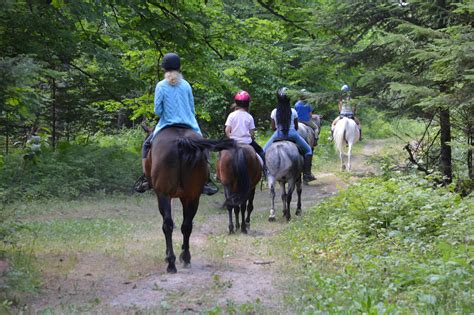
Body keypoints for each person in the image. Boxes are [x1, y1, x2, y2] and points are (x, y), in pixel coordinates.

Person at [134, 52, 218, 195]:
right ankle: (206, 180)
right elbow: (191, 108)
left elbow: (158, 110)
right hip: (189, 124)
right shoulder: (186, 85)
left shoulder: (161, 85)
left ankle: (146, 179)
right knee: (203, 147)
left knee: (147, 145)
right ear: (179, 68)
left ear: (164, 68)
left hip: (166, 125)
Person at [263, 87, 316, 182]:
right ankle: (307, 174)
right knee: (308, 150)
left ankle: (265, 173)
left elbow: (273, 127)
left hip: (278, 134)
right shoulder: (293, 111)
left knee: (263, 151)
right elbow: (296, 127)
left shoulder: (274, 111)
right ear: (289, 99)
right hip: (292, 134)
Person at [224, 90, 265, 163]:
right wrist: (251, 138)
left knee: (221, 154)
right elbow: (252, 133)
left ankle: (218, 173)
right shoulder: (249, 117)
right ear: (248, 104)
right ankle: (265, 169)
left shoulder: (231, 115)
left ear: (236, 102)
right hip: (247, 142)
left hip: (234, 142)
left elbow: (227, 130)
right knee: (261, 152)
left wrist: (231, 138)